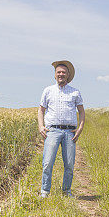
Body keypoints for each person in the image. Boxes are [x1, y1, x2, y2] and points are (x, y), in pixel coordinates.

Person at [38, 60, 85, 198]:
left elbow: (81, 111)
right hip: (52, 131)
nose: (61, 74)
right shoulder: (47, 90)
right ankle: (45, 192)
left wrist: (80, 128)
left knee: (69, 164)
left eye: (63, 72)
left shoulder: (75, 92)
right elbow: (41, 110)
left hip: (69, 132)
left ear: (68, 75)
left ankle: (66, 191)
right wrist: (41, 126)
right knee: (47, 163)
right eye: (58, 72)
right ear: (54, 75)